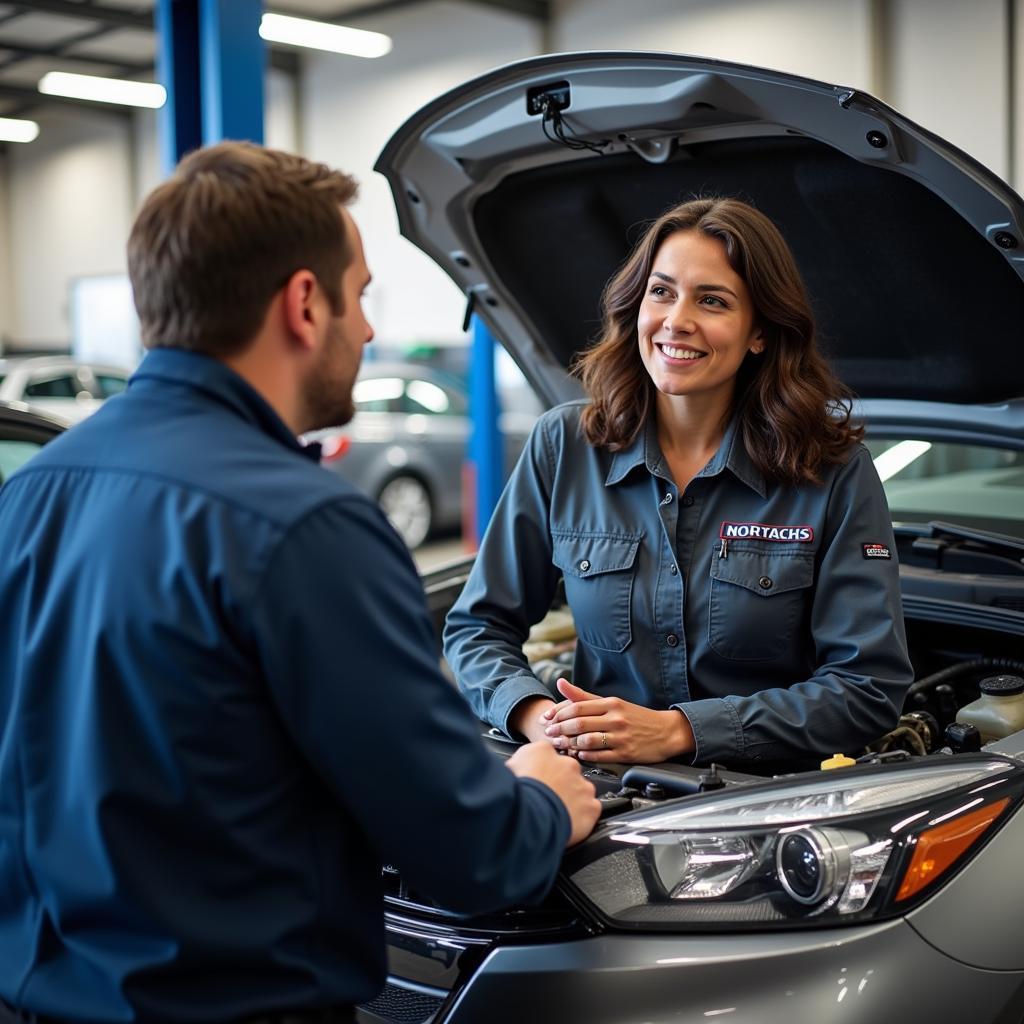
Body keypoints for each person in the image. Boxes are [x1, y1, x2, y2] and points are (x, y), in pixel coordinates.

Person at [0, 142, 600, 1024]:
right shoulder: (303, 527)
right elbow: (468, 852)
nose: (365, 330)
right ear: (304, 303)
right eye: (359, 297)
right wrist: (544, 798)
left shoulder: (32, 491)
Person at [444, 196, 915, 770]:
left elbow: (867, 688)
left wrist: (678, 732)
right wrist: (533, 714)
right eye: (661, 292)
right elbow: (478, 626)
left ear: (760, 331)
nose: (676, 320)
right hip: (599, 789)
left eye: (712, 300)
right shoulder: (564, 446)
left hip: (768, 804)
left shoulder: (831, 470)